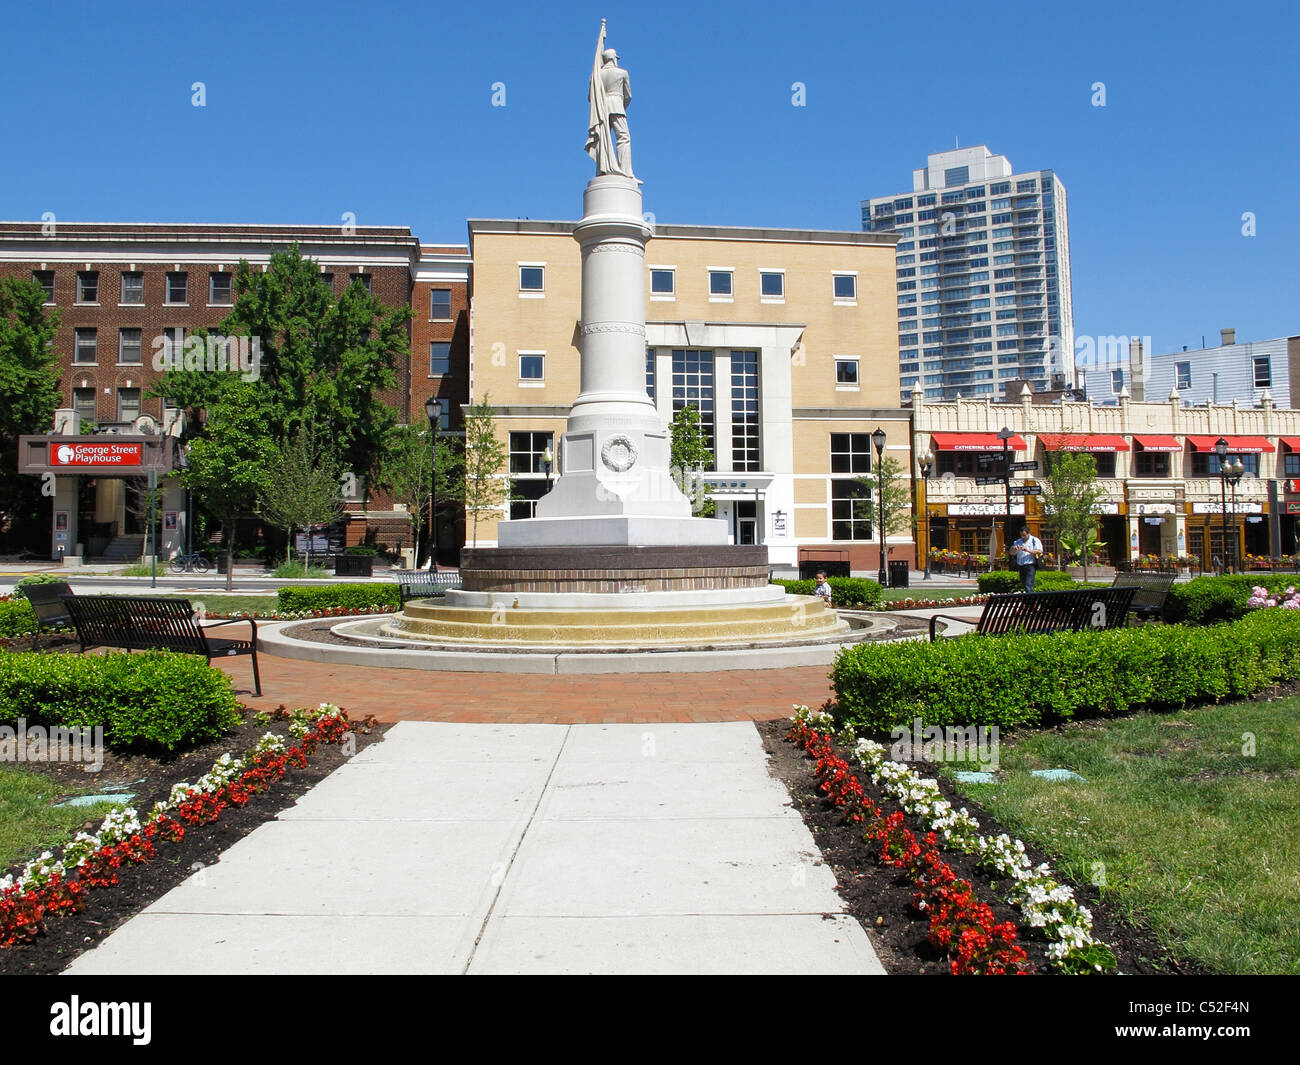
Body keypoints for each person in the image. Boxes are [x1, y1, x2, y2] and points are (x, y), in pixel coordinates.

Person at [1010, 526, 1044, 592]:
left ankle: (1031, 601)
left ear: (1028, 534)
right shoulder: (1017, 541)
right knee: (1024, 585)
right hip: (1021, 566)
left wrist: (1027, 550)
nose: (1022, 537)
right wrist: (1014, 549)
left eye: (1024, 535)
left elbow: (1039, 551)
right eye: (1021, 535)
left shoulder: (1034, 540)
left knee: (1028, 585)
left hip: (1030, 565)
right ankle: (1028, 600)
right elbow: (1011, 553)